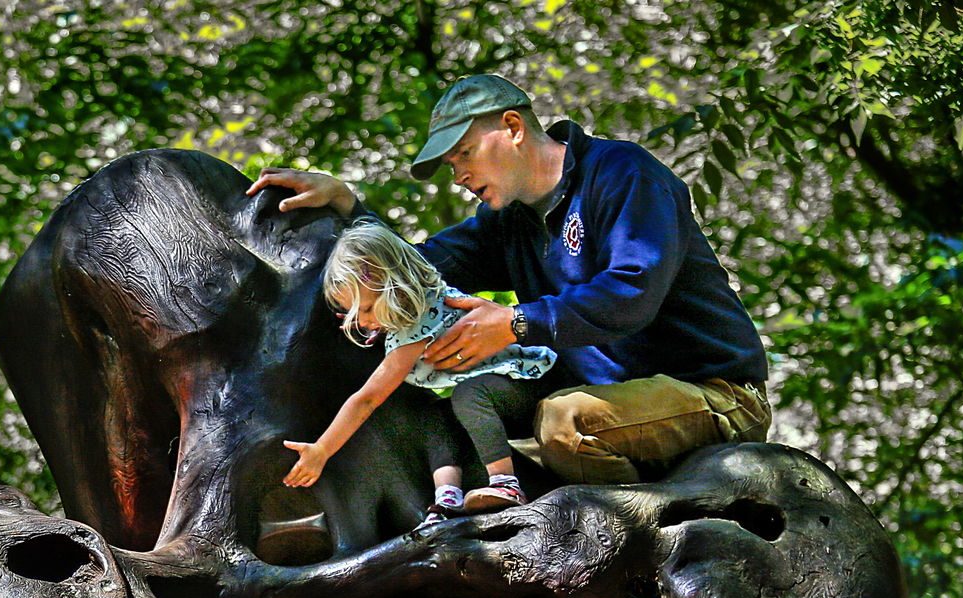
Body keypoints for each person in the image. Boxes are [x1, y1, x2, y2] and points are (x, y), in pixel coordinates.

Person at [249, 74, 771, 486]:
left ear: (514, 127)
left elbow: (632, 293)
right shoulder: (509, 221)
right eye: (450, 164)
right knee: (451, 424)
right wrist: (347, 204)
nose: (458, 175)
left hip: (712, 393)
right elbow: (415, 276)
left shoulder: (624, 174)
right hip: (602, 400)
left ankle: (639, 572)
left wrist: (515, 324)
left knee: (565, 425)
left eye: (464, 154)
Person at [281, 217, 557, 532]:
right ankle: (447, 499)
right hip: (500, 389)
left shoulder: (418, 322)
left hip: (532, 380)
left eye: (368, 309)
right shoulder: (413, 310)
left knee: (469, 396)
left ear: (392, 286)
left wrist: (322, 450)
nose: (365, 322)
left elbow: (367, 400)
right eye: (354, 315)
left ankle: (506, 484)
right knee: (435, 415)